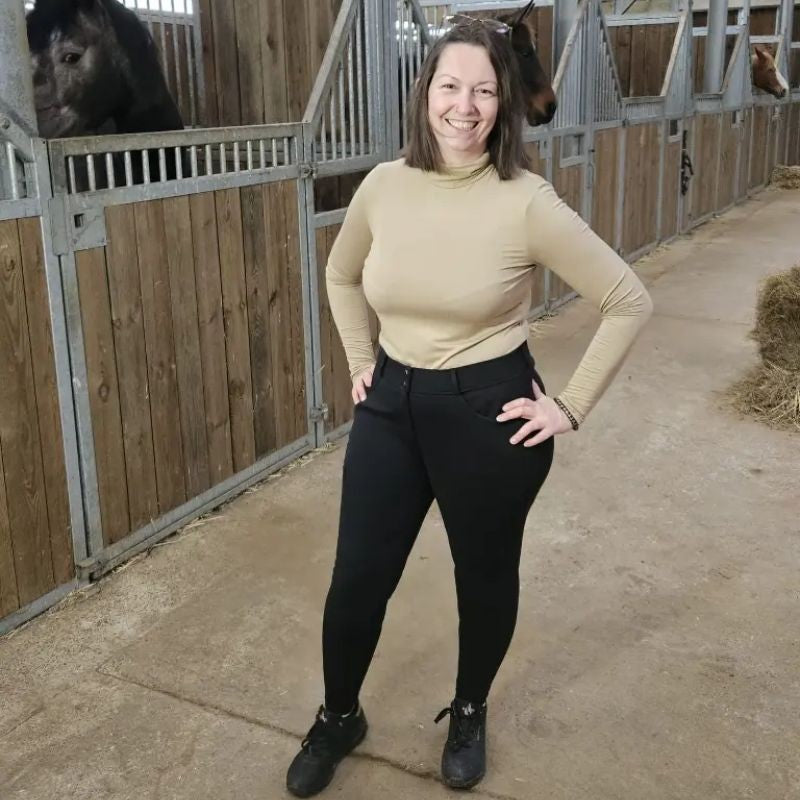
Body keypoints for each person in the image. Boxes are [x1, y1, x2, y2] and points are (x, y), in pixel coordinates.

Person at [286, 18, 653, 798]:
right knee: (358, 578)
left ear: (505, 101)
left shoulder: (526, 202)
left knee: (483, 577)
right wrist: (360, 361)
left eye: (485, 90)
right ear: (425, 93)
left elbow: (628, 299)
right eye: (450, 86)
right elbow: (341, 274)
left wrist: (569, 407)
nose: (465, 106)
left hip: (488, 411)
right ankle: (339, 715)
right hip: (391, 407)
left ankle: (468, 711)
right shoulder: (385, 186)